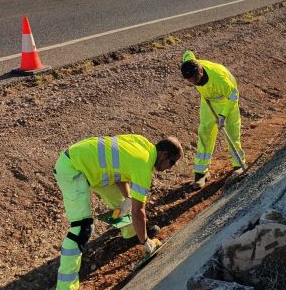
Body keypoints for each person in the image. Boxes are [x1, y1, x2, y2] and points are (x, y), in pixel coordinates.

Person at [54, 134, 183, 290]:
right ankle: (65, 286)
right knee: (82, 228)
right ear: (164, 155)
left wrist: (128, 197)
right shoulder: (144, 166)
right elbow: (138, 211)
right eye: (172, 163)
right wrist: (146, 242)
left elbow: (119, 172)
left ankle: (131, 233)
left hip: (91, 166)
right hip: (73, 168)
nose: (170, 168)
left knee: (122, 204)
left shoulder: (142, 143)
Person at [180, 50, 245, 189]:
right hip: (208, 102)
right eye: (190, 81)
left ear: (201, 72)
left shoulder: (219, 78)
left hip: (227, 101)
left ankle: (238, 165)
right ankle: (200, 173)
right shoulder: (192, 65)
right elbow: (187, 53)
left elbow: (234, 95)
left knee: (232, 133)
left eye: (195, 81)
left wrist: (223, 115)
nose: (193, 84)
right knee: (205, 133)